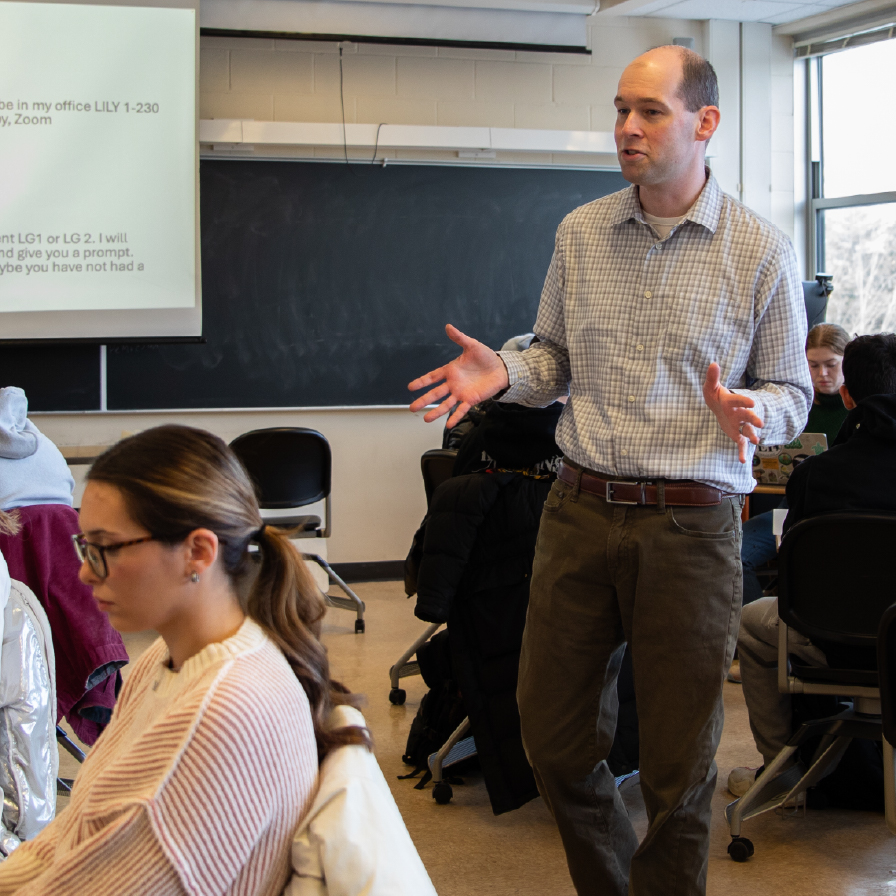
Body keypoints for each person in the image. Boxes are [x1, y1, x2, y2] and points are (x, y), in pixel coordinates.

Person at [409, 45, 811, 896]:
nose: (627, 128)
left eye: (650, 111)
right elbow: (554, 357)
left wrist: (757, 412)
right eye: (621, 109)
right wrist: (506, 374)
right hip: (579, 509)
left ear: (705, 124)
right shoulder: (582, 232)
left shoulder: (760, 251)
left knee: (677, 762)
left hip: (692, 526)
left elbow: (792, 391)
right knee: (550, 738)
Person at [0, 424, 369, 896]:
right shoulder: (169, 656)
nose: (85, 572)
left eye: (105, 549)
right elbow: (65, 842)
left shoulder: (222, 711)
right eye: (84, 545)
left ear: (197, 552)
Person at [730, 333, 896, 798]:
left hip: (830, 637)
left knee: (749, 624)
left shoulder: (814, 475)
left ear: (847, 393)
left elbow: (793, 568)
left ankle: (782, 773)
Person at [741, 323, 850, 605]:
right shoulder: (794, 405)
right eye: (813, 366)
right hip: (788, 508)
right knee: (732, 555)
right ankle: (759, 634)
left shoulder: (861, 408)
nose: (822, 374)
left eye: (831, 365)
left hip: (838, 512)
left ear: (847, 361)